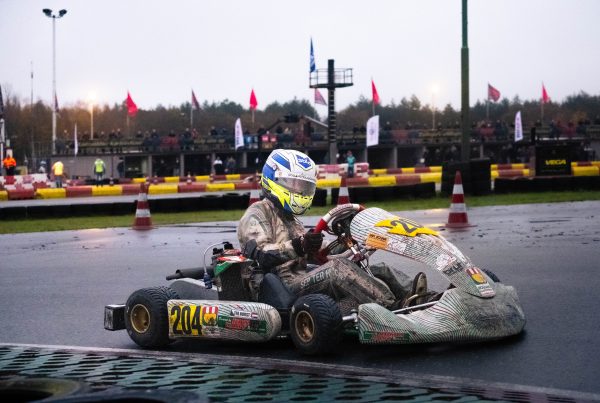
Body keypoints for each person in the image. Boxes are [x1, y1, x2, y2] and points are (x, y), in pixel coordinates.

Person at [237, 149, 428, 315]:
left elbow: (318, 253)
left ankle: (422, 299)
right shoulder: (256, 213)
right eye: (294, 184)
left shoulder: (289, 218)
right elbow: (261, 254)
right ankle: (393, 308)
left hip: (301, 277)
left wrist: (346, 240)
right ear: (274, 179)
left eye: (304, 187)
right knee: (338, 268)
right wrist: (299, 245)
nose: (300, 191)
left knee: (379, 269)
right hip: (279, 286)